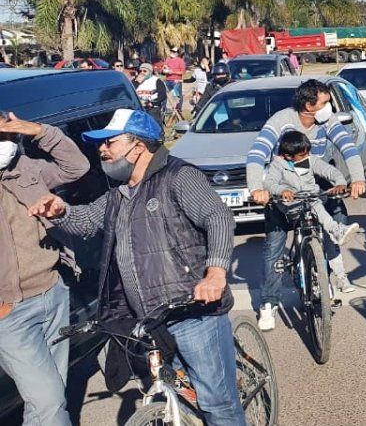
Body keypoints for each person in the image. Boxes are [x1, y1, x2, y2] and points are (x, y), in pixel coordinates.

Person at [29, 109, 244, 426]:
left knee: (218, 406)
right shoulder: (118, 195)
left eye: (109, 143)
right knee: (184, 391)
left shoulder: (178, 177)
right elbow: (87, 220)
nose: (102, 151)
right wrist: (60, 211)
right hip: (151, 318)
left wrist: (215, 273)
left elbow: (219, 218)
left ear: (138, 146)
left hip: (192, 311)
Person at [247, 79, 366, 328]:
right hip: (283, 185)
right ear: (308, 105)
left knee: (338, 214)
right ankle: (268, 303)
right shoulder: (281, 121)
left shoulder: (327, 121)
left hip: (313, 181)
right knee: (274, 247)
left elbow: (347, 147)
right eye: (324, 102)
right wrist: (257, 188)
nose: (329, 106)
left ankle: (326, 270)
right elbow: (257, 154)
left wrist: (356, 179)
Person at [0, 112, 89, 426]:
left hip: (53, 293)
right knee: (49, 401)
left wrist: (38, 131)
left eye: (7, 136)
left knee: (46, 404)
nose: (4, 144)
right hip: (10, 312)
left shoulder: (25, 169)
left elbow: (77, 166)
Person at [262, 130, 361, 253]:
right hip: (290, 204)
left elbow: (330, 171)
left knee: (317, 205)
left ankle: (334, 236)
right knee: (316, 208)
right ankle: (335, 231)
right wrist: (282, 190)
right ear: (288, 156)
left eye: (308, 153)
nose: (307, 156)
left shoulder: (310, 160)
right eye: (302, 155)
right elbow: (269, 182)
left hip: (311, 198)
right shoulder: (277, 165)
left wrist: (340, 182)